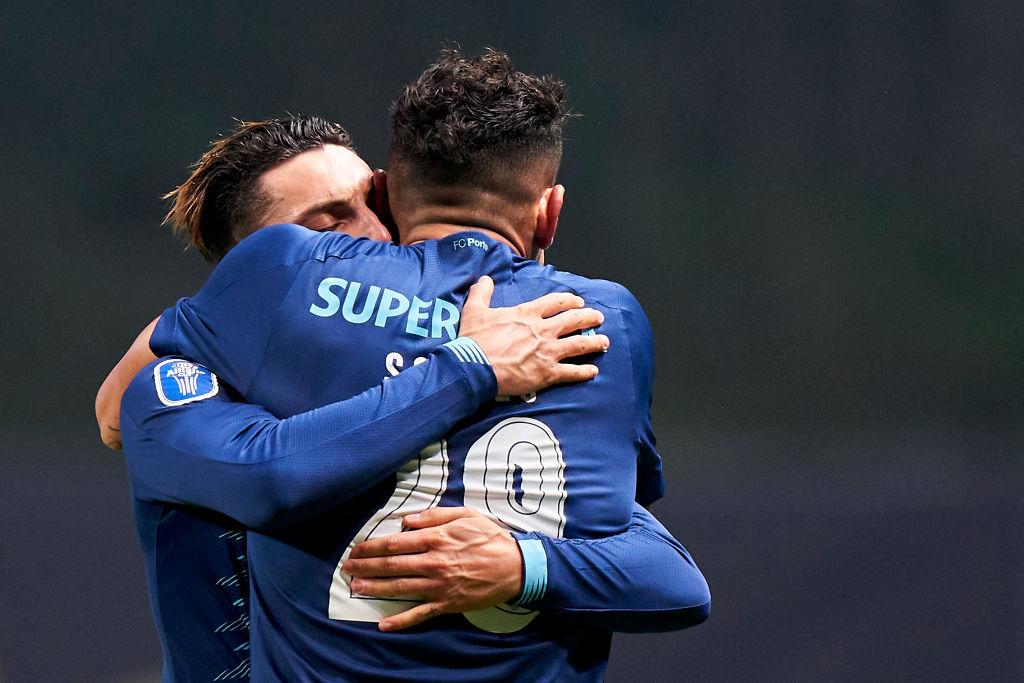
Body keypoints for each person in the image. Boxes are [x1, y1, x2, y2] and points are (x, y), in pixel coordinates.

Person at [116, 50, 709, 680]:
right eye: (327, 234)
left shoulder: (302, 304)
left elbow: (663, 567)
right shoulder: (594, 320)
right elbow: (258, 472)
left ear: (390, 194)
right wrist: (468, 366)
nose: (372, 238)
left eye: (370, 203)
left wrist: (523, 564)